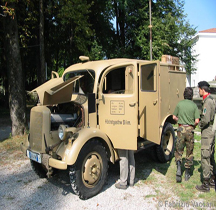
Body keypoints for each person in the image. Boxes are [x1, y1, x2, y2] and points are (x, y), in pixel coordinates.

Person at [173, 87, 200, 182]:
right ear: (191, 96)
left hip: (180, 128)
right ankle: (187, 173)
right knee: (189, 151)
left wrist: (179, 120)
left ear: (184, 95)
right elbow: (197, 120)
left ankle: (179, 168)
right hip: (190, 130)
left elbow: (174, 117)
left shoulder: (179, 104)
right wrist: (193, 125)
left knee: (179, 150)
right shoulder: (194, 105)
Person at [196, 81, 216, 192]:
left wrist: (199, 125)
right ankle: (212, 180)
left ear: (203, 90)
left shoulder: (207, 102)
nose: (198, 91)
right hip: (212, 130)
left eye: (199, 89)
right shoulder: (212, 99)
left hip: (207, 132)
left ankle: (206, 183)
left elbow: (206, 119)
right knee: (211, 154)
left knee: (205, 156)